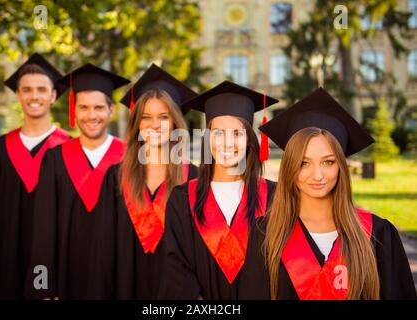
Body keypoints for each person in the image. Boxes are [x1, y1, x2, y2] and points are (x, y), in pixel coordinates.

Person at [239, 87, 417, 300]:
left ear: (341, 166)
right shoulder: (266, 235)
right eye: (304, 163)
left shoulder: (377, 234)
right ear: (290, 167)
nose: (317, 175)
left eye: (329, 162)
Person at [158, 81, 278, 299]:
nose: (227, 142)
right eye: (218, 133)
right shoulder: (183, 199)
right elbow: (177, 269)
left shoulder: (274, 197)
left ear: (250, 140)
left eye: (237, 134)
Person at [0, 53, 70, 299]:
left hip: (55, 264)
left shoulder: (69, 148)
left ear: (53, 95)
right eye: (27, 90)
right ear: (18, 95)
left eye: (42, 90)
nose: (34, 96)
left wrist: (70, 271)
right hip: (7, 261)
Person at [24, 63, 129, 300]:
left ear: (111, 110)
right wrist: (42, 286)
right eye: (84, 107)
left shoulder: (129, 158)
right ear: (75, 110)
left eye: (99, 108)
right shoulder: (55, 158)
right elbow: (43, 231)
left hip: (119, 279)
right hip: (67, 280)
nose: (91, 115)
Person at [115, 63, 199, 299]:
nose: (154, 125)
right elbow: (103, 249)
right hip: (124, 287)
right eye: (146, 117)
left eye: (163, 117)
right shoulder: (116, 178)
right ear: (137, 125)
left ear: (174, 123)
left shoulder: (193, 178)